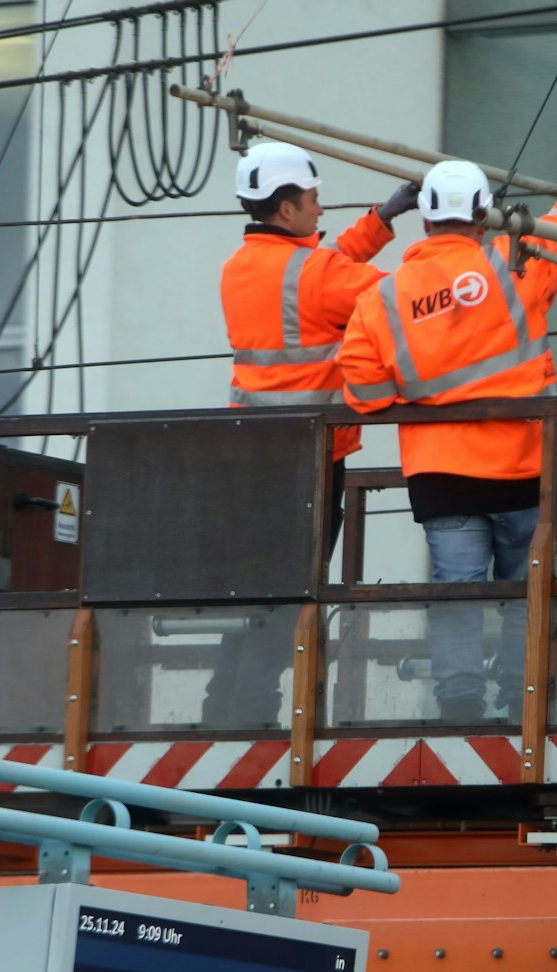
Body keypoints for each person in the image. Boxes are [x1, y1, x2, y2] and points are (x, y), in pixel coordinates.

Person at [339, 160, 557, 723]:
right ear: (484, 214)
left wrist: (421, 392)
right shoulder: (514, 263)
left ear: (425, 219)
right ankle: (522, 692)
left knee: (457, 588)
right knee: (523, 590)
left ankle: (459, 697)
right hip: (528, 466)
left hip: (443, 474)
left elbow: (362, 390)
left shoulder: (383, 298)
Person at [202, 141, 419, 727]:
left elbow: (320, 269)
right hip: (311, 459)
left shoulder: (240, 266)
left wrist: (381, 221)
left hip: (252, 452)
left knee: (254, 589)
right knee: (291, 592)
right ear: (288, 208)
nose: (321, 210)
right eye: (315, 200)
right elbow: (398, 296)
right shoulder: (315, 274)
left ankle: (221, 704)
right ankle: (252, 712)